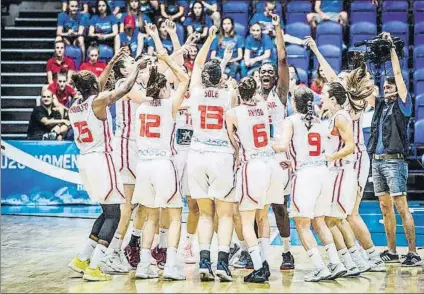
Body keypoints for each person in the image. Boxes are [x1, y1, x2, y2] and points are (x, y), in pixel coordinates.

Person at [67, 47, 144, 281]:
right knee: (116, 212)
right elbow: (124, 88)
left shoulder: (75, 106)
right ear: (94, 88)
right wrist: (137, 69)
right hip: (102, 159)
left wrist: (111, 62)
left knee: (106, 210)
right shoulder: (98, 102)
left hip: (85, 162)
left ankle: (82, 258)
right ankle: (95, 267)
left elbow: (99, 86)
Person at [132, 37, 190, 280]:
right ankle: (171, 265)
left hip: (143, 165)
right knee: (175, 215)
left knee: (150, 215)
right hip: (162, 164)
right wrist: (167, 59)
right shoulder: (169, 106)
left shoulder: (141, 107)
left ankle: (144, 265)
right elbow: (185, 79)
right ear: (164, 88)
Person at [187, 26, 238, 282]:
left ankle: (204, 262)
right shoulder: (230, 94)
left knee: (205, 213)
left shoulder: (195, 92)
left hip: (196, 155)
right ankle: (222, 264)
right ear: (221, 78)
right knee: (225, 214)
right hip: (221, 156)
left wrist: (208, 38)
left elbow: (197, 63)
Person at [368, 33, 422, 267]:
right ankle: (391, 250)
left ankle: (412, 252)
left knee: (401, 207)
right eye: (385, 86)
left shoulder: (403, 106)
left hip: (394, 162)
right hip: (377, 162)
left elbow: (399, 75)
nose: (386, 89)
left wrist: (391, 49)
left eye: (389, 87)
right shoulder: (381, 105)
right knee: (384, 207)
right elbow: (367, 87)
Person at [272, 85, 336, 282]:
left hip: (306, 176)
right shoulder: (321, 122)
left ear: (293, 103)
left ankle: (319, 267)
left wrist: (264, 143)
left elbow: (282, 146)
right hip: (324, 172)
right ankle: (335, 262)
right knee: (320, 221)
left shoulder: (290, 121)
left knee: (301, 224)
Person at [226, 76, 285, 283]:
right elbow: (258, 98)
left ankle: (259, 267)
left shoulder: (232, 114)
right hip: (271, 164)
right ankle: (266, 261)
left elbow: (234, 142)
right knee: (263, 217)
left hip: (252, 166)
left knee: (246, 221)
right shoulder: (263, 107)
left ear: (238, 94)